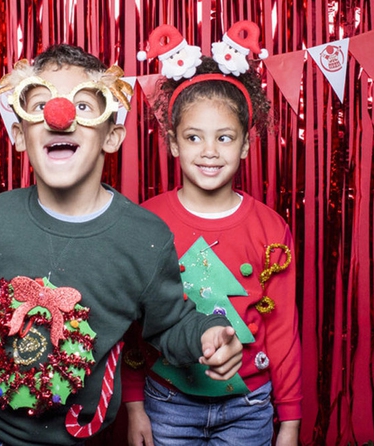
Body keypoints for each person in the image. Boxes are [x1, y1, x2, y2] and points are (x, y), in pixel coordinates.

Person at [0, 44, 243, 446]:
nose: (59, 117)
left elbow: (169, 323)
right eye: (41, 104)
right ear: (18, 135)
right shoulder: (0, 214)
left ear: (112, 137)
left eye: (82, 107)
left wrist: (208, 333)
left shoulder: (144, 237)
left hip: (61, 438)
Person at [123, 22, 302, 446]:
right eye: (193, 137)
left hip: (250, 406)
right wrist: (134, 407)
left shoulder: (271, 228)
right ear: (172, 143)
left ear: (244, 145)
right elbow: (132, 324)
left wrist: (290, 420)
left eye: (224, 138)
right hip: (167, 401)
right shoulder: (146, 222)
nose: (208, 151)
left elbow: (282, 328)